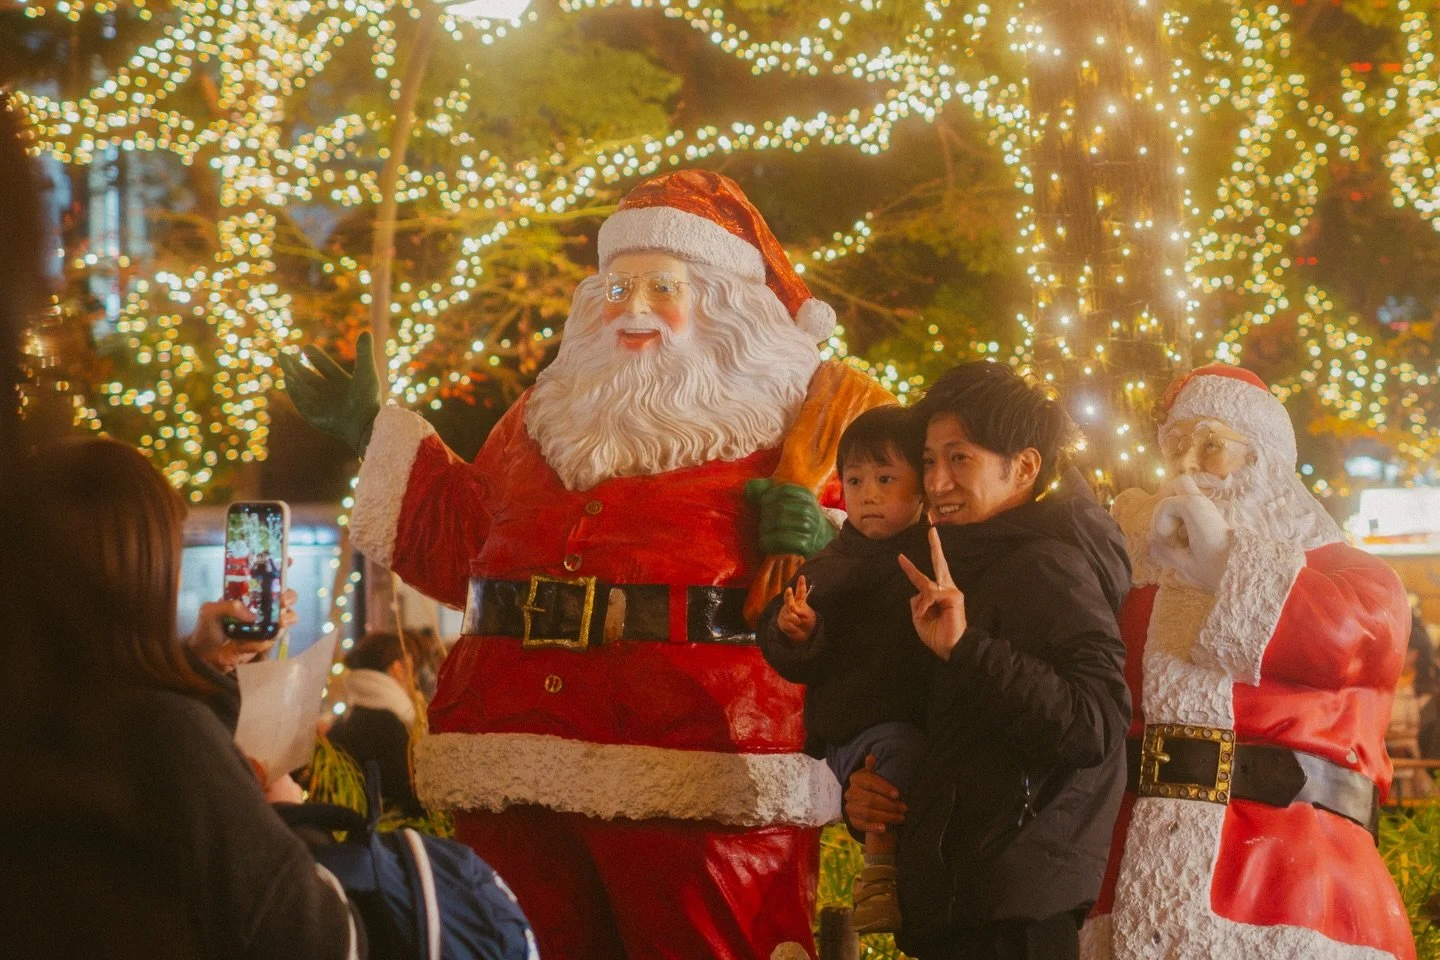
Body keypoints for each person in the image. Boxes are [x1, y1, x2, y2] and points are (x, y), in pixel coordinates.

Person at [279, 169, 896, 958]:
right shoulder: (543, 418)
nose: (633, 308)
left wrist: (822, 539)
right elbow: (464, 540)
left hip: (705, 757)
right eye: (616, 286)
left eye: (661, 285)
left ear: (723, 299)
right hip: (512, 752)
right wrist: (375, 430)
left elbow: (890, 565)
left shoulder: (808, 425)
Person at [1082, 364, 1414, 960]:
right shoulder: (1131, 576)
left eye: (1211, 446)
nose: (1185, 466)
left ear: (1261, 460)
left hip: (1297, 880)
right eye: (1176, 445)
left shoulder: (1351, 572)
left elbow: (1353, 640)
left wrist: (1227, 568)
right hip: (1127, 871)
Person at [2, 438, 362, 960]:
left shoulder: (30, 716)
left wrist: (198, 662)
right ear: (146, 571)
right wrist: (285, 812)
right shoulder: (164, 734)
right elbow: (329, 939)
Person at [843, 361, 1132, 960]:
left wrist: (968, 648)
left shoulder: (1048, 566)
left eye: (960, 459)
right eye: (928, 461)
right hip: (957, 905)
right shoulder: (964, 563)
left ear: (1023, 467)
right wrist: (870, 791)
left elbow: (1095, 725)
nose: (938, 482)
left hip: (1015, 917)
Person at [757, 405, 935, 934]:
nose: (868, 495)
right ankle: (879, 874)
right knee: (897, 757)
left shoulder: (936, 554)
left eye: (885, 479)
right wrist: (798, 629)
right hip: (855, 724)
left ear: (923, 487)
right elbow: (784, 634)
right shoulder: (833, 562)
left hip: (910, 712)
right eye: (854, 481)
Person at [328, 631, 424, 818]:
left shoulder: (343, 721)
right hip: (394, 835)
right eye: (415, 668)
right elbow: (411, 796)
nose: (416, 679)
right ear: (398, 668)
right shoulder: (396, 725)